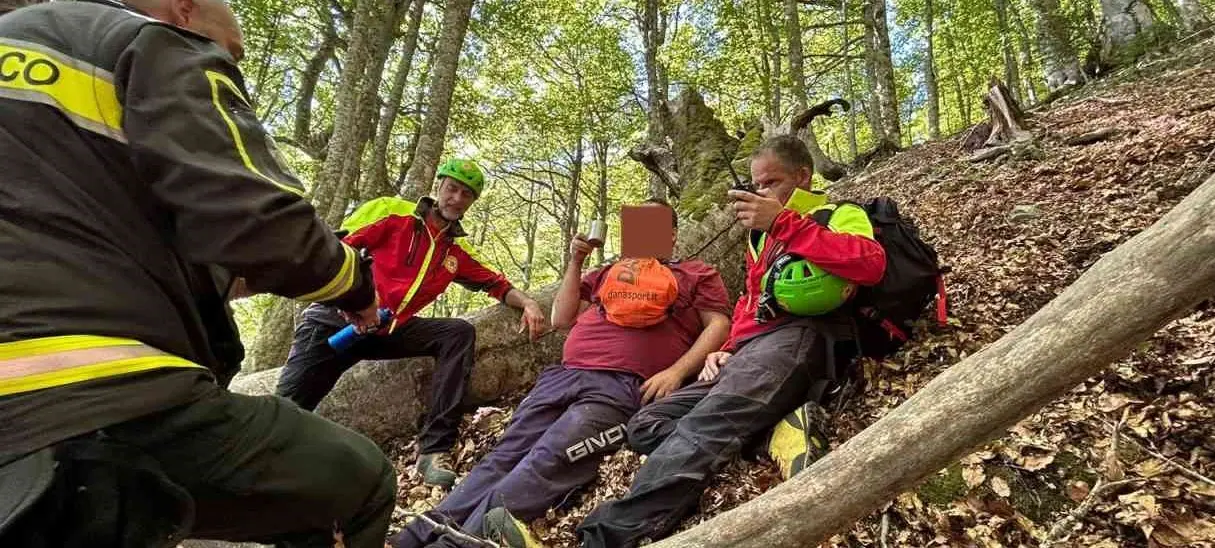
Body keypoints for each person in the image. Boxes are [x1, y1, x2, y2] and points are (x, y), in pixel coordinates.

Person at [0, 0, 395, 546]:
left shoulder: (26, 45)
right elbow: (260, 222)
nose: (228, 63)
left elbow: (68, 228)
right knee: (359, 480)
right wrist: (357, 283)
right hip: (84, 393)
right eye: (230, 51)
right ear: (183, 10)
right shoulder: (148, 42)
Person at [577, 136, 888, 547]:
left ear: (803, 177)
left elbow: (871, 263)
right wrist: (726, 349)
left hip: (800, 338)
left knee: (705, 425)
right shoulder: (759, 235)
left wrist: (782, 221)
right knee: (645, 425)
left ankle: (605, 537)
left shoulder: (837, 212)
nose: (760, 192)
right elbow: (751, 300)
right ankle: (774, 432)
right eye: (756, 184)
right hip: (749, 351)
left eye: (770, 182)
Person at [394, 200, 732, 548]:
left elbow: (718, 324)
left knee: (549, 460)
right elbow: (562, 317)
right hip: (562, 377)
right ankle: (413, 537)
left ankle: (459, 544)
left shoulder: (695, 273)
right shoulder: (609, 273)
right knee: (503, 457)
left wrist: (676, 372)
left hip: (620, 388)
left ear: (672, 234)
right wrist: (576, 260)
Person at [275, 159, 547, 488]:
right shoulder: (393, 214)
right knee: (285, 411)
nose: (457, 198)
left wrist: (529, 302)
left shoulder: (453, 253)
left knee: (457, 333)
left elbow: (496, 284)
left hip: (386, 331)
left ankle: (434, 450)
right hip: (332, 325)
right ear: (438, 186)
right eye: (452, 188)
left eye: (466, 194)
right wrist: (351, 302)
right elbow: (336, 251)